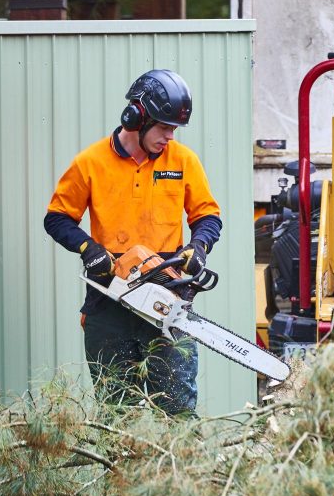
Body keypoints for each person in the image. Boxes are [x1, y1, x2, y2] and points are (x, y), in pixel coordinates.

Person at [44, 69, 223, 416]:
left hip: (166, 296)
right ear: (137, 117)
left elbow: (208, 216)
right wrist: (88, 249)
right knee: (116, 413)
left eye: (174, 129)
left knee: (178, 410)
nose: (170, 136)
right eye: (164, 127)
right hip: (109, 300)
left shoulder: (183, 161)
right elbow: (57, 218)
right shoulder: (91, 163)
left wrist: (198, 247)